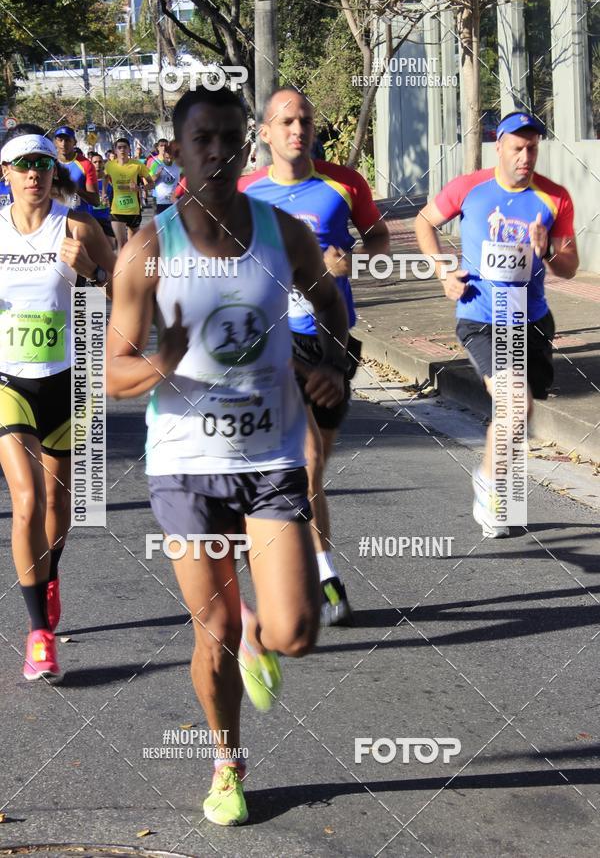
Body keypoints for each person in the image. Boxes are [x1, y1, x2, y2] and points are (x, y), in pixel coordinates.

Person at [106, 86, 348, 825]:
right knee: (214, 636)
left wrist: (334, 364)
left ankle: (259, 640)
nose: (214, 151)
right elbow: (114, 370)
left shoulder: (284, 233)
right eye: (200, 139)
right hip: (185, 464)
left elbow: (329, 303)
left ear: (245, 147)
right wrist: (162, 364)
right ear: (176, 152)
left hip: (271, 456)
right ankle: (226, 762)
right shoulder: (150, 249)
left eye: (227, 138)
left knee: (295, 635)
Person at [239, 87, 390, 625]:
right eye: (286, 122)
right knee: (303, 461)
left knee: (314, 467)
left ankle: (293, 551)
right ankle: (323, 577)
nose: (297, 130)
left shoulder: (342, 185)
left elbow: (379, 241)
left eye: (304, 120)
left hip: (332, 339)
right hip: (271, 343)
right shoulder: (245, 192)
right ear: (265, 133)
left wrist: (351, 261)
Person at [415, 110, 578, 537]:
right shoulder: (470, 188)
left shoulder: (555, 197)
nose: (526, 157)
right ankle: (493, 489)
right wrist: (442, 271)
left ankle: (489, 474)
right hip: (480, 317)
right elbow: (424, 221)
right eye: (518, 148)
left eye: (533, 149)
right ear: (500, 146)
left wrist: (547, 251)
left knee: (518, 412)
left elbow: (570, 268)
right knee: (514, 405)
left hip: (533, 320)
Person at [0, 123, 115, 681]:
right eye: (21, 165)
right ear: (5, 173)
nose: (32, 175)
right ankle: (39, 633)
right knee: (26, 501)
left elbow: (127, 291)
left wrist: (90, 271)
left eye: (42, 165)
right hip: (8, 384)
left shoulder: (77, 225)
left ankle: (48, 578)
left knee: (58, 509)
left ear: (54, 172)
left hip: (69, 381)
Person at [104, 138, 154, 249]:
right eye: (119, 147)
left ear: (129, 149)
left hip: (134, 210)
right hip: (116, 210)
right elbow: (105, 178)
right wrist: (104, 193)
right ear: (115, 150)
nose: (122, 150)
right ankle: (121, 267)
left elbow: (152, 184)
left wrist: (139, 188)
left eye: (125, 147)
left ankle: (132, 266)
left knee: (133, 245)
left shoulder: (137, 165)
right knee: (121, 245)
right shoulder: (109, 165)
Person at [54, 125, 99, 213]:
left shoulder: (86, 164)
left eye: (67, 140)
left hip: (79, 219)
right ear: (55, 142)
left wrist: (75, 189)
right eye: (60, 140)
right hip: (56, 218)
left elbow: (95, 201)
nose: (63, 144)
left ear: (74, 142)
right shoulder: (50, 163)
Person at [89, 152, 116, 247]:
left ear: (103, 163)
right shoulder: (87, 180)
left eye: (100, 162)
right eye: (95, 162)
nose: (98, 164)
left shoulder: (109, 179)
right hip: (91, 219)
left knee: (111, 246)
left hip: (106, 218)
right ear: (91, 163)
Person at [148, 140, 181, 215]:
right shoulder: (156, 164)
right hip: (159, 199)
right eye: (167, 158)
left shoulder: (178, 165)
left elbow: (183, 179)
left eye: (171, 157)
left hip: (173, 200)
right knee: (160, 223)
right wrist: (158, 174)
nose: (169, 159)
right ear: (163, 157)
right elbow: (149, 180)